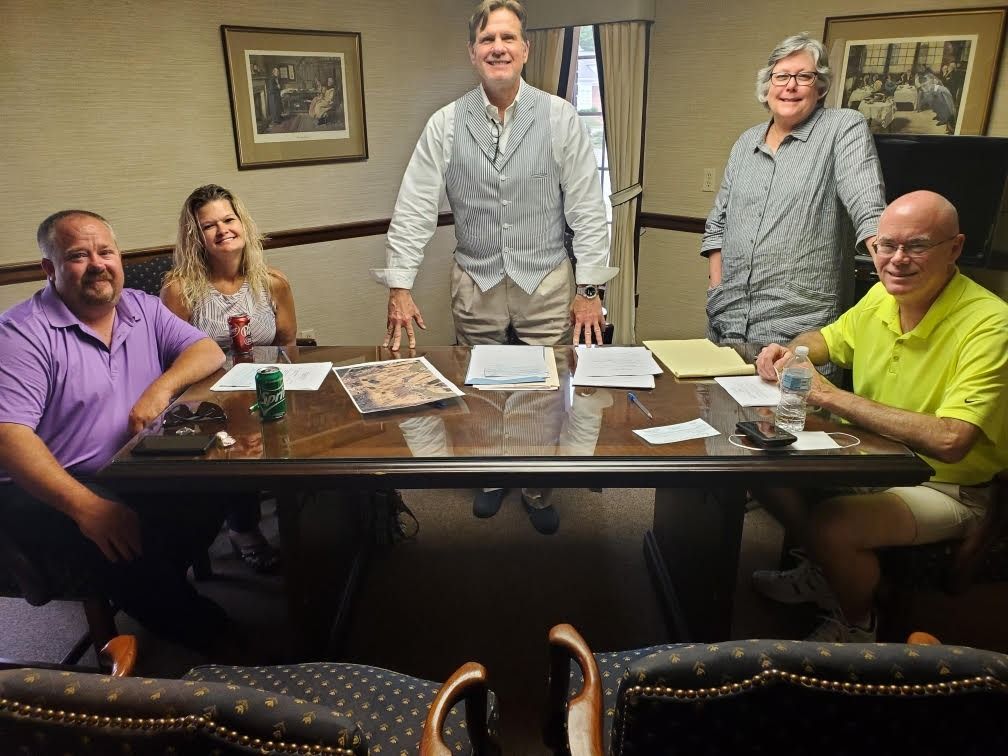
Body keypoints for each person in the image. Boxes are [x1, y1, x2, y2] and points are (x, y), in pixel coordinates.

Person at [370, 0, 616, 533]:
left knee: (543, 390)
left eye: (507, 38)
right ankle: (488, 475)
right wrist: (399, 284)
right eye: (487, 40)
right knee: (479, 387)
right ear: (472, 53)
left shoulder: (559, 117)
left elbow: (587, 207)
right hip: (476, 281)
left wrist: (590, 288)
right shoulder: (445, 123)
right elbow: (413, 205)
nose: (498, 48)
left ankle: (534, 485)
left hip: (547, 280)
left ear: (525, 49)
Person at [751, 191, 1008, 642]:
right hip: (872, 457)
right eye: (886, 245)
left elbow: (952, 439)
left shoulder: (992, 325)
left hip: (947, 485)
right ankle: (827, 574)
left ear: (955, 248)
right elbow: (825, 339)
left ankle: (857, 624)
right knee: (764, 469)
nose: (897, 260)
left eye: (917, 246)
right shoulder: (879, 297)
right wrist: (792, 351)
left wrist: (830, 396)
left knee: (835, 524)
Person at [0, 210, 233, 652]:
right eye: (78, 255)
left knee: (221, 478)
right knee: (118, 527)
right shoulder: (20, 334)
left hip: (131, 464)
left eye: (106, 251)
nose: (98, 264)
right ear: (49, 269)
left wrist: (159, 389)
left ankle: (152, 583)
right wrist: (85, 506)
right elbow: (9, 435)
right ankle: (211, 636)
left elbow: (205, 351)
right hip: (46, 485)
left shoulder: (140, 307)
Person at [702, 33, 885, 351]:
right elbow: (717, 225)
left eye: (804, 76)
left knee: (790, 404)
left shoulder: (843, 128)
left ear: (821, 87)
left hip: (800, 336)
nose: (790, 86)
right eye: (781, 76)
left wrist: (891, 267)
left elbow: (866, 205)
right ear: (767, 85)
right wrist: (717, 287)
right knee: (713, 402)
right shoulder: (747, 142)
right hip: (728, 325)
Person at [162, 184, 296, 571]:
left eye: (228, 219)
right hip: (206, 403)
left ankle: (310, 527)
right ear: (195, 237)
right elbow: (172, 360)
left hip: (263, 390)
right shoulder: (180, 290)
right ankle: (242, 527)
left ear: (243, 225)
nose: (222, 230)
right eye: (209, 226)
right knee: (239, 437)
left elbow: (288, 344)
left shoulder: (273, 282)